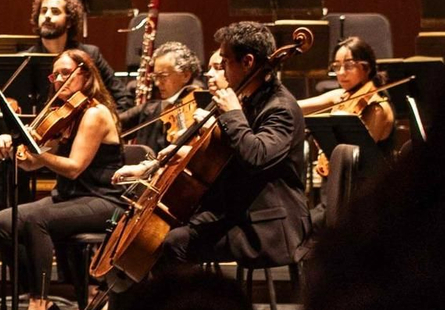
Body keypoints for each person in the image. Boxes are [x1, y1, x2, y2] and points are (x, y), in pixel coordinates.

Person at [116, 22, 311, 270]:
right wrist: (155, 167)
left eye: (225, 62)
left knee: (175, 243)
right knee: (152, 235)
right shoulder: (245, 99)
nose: (221, 71)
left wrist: (232, 114)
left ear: (248, 62)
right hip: (236, 210)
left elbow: (256, 157)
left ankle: (199, 308)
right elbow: (220, 157)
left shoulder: (280, 108)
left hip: (268, 224)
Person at [0, 49, 125, 310]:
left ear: (85, 75)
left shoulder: (95, 113)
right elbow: (31, 162)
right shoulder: (63, 112)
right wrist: (15, 148)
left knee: (38, 219)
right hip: (71, 199)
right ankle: (34, 293)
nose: (60, 80)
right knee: (0, 222)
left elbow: (73, 168)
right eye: (56, 74)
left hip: (104, 200)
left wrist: (38, 155)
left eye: (67, 73)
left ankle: (39, 303)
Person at [28, 0, 129, 108]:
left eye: (55, 11)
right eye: (44, 11)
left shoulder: (90, 55)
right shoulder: (27, 60)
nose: (47, 16)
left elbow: (123, 98)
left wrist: (107, 122)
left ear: (69, 22)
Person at [118, 40, 206, 152]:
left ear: (186, 75)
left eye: (163, 76)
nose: (157, 83)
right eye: (156, 76)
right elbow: (116, 122)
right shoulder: (150, 109)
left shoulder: (200, 106)